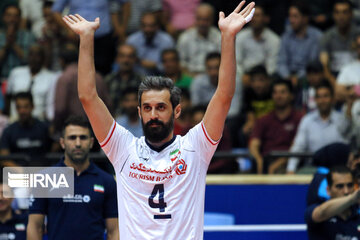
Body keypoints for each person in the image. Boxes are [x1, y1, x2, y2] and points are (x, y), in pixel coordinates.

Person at [62, 1, 255, 238]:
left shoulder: (195, 148)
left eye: (161, 107)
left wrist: (227, 36)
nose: (153, 115)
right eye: (147, 108)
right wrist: (86, 37)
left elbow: (224, 95)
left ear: (177, 111)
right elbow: (88, 97)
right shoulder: (123, 149)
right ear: (140, 111)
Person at [27, 115, 119, 240]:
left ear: (91, 142)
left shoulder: (107, 181)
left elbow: (114, 231)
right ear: (62, 143)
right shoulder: (44, 178)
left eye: (83, 137)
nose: (78, 143)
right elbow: (35, 226)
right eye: (72, 138)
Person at [287, 81, 352, 173]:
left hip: (339, 169)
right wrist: (290, 169)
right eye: (319, 97)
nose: (322, 100)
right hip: (313, 168)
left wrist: (349, 103)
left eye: (326, 96)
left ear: (332, 99)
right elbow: (298, 146)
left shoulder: (342, 120)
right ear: (315, 100)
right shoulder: (307, 120)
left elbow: (349, 139)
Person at [249, 80, 303, 174]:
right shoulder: (264, 119)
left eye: (283, 92)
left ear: (291, 96)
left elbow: (298, 147)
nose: (278, 96)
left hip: (289, 162)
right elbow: (253, 144)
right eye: (275, 92)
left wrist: (279, 163)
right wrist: (258, 160)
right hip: (266, 161)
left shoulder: (300, 119)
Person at [5, 44, 59, 121]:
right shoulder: (16, 73)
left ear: (43, 58)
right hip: (15, 119)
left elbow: (51, 104)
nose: (33, 58)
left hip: (38, 121)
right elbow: (8, 96)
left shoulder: (51, 77)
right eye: (31, 54)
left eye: (37, 55)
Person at [305, 166, 360, 239]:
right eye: (340, 186)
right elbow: (321, 213)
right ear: (328, 190)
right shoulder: (316, 209)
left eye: (350, 185)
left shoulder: (358, 214)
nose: (346, 191)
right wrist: (352, 198)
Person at [277, 0, 322, 87]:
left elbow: (312, 63)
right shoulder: (286, 36)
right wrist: (287, 77)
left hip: (307, 77)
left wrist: (298, 77)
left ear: (305, 18)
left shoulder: (317, 36)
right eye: (290, 16)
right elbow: (281, 62)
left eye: (295, 16)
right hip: (287, 78)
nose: (291, 20)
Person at [0, 92, 51, 166]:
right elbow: (4, 159)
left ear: (32, 107)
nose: (22, 111)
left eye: (26, 107)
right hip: (17, 173)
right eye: (19, 107)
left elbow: (53, 152)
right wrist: (22, 172)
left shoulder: (44, 128)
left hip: (41, 172)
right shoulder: (9, 131)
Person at [235, 4, 280, 80]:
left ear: (266, 18)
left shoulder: (274, 40)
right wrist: (242, 75)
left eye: (257, 16)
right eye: (252, 16)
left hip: (265, 77)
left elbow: (272, 66)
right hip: (245, 76)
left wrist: (260, 79)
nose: (254, 19)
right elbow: (237, 61)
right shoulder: (240, 36)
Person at [320, 0, 358, 86]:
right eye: (337, 12)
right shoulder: (327, 37)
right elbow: (325, 67)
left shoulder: (358, 35)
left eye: (345, 12)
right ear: (333, 15)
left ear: (351, 14)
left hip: (356, 78)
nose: (341, 16)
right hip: (334, 79)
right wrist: (337, 85)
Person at [177, 3, 221, 75]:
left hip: (214, 76)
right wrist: (192, 77)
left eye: (206, 19)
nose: (202, 23)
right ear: (195, 18)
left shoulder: (219, 37)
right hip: (190, 76)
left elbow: (223, 61)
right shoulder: (185, 37)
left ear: (212, 19)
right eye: (199, 19)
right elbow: (180, 63)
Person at [0, 4, 35, 80]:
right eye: (9, 16)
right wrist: (7, 45)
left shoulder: (29, 36)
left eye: (15, 16)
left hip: (23, 79)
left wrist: (13, 44)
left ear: (20, 19)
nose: (12, 20)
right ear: (3, 17)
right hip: (2, 78)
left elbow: (32, 61)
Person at [105, 44, 143, 112]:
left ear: (135, 59)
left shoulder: (143, 82)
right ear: (117, 59)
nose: (126, 60)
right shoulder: (108, 81)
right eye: (122, 56)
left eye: (130, 56)